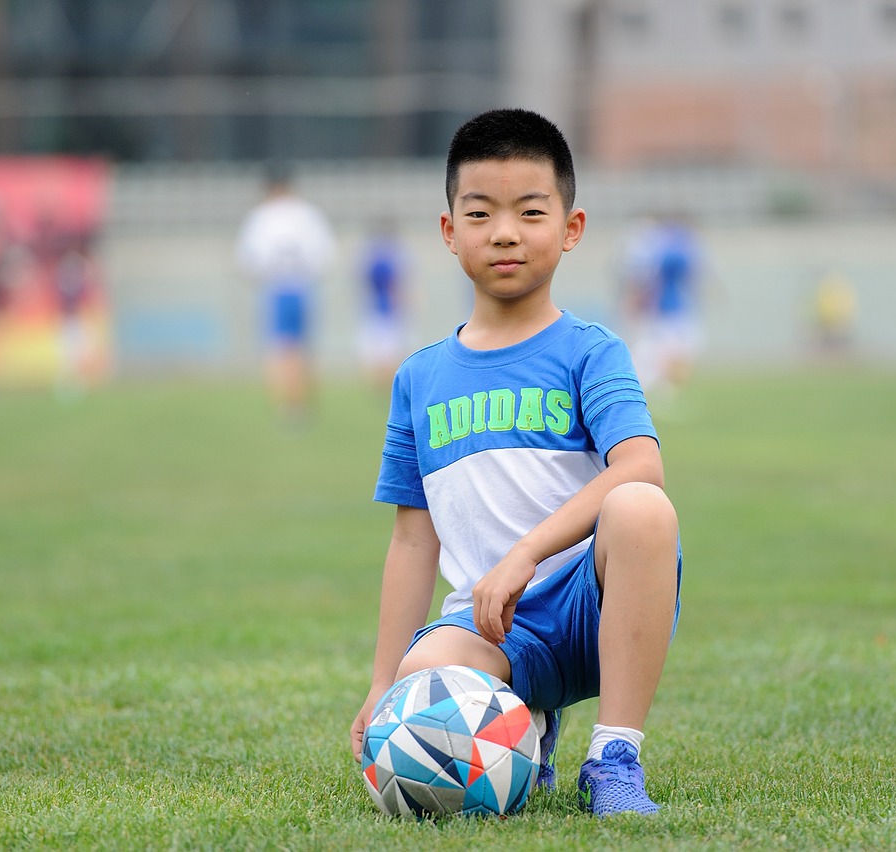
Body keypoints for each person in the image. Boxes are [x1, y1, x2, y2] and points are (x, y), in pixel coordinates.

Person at [349, 109, 682, 817]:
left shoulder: (592, 352)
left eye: (530, 212)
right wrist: (382, 686)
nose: (504, 232)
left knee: (642, 506)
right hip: (490, 624)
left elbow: (641, 467)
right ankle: (525, 736)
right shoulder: (419, 377)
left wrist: (526, 553)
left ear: (571, 228)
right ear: (449, 232)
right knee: (421, 677)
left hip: (590, 605)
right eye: (480, 213)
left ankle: (613, 757)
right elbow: (413, 539)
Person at [236, 162, 336, 422]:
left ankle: (285, 405)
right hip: (303, 287)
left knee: (280, 349)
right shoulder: (307, 214)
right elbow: (324, 256)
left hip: (276, 288)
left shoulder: (261, 216)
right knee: (303, 348)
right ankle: (303, 401)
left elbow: (248, 261)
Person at [621, 212, 706, 404]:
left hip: (669, 308)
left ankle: (662, 391)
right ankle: (649, 389)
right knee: (663, 352)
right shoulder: (668, 251)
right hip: (666, 309)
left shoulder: (665, 249)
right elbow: (652, 279)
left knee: (668, 351)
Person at [355, 219, 412, 391]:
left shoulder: (370, 255)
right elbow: (394, 283)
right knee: (388, 350)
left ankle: (382, 384)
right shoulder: (391, 256)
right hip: (387, 309)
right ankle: (387, 384)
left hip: (376, 308)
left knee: (380, 350)